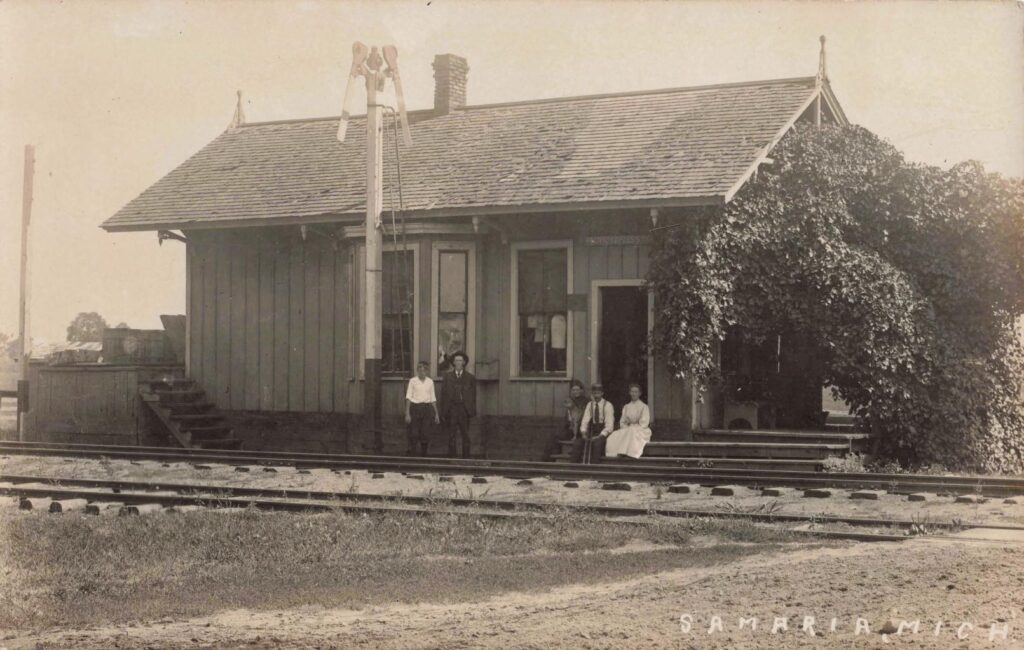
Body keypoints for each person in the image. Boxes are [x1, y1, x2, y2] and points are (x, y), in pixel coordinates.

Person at [438, 351, 476, 458]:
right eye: (456, 360)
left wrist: (471, 411)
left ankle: (466, 459)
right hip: (452, 409)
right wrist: (444, 411)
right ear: (453, 363)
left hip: (464, 409)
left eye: (460, 360)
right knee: (451, 435)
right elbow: (444, 395)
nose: (458, 362)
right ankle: (452, 460)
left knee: (465, 435)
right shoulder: (448, 377)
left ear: (464, 363)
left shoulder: (470, 378)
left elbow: (473, 396)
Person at [605, 383, 652, 459]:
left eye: (636, 392)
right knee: (614, 435)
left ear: (639, 393)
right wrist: (626, 427)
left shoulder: (644, 406)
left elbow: (644, 423)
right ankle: (616, 453)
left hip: (641, 430)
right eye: (632, 392)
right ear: (629, 393)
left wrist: (634, 427)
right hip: (629, 428)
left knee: (632, 431)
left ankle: (628, 453)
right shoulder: (626, 406)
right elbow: (622, 421)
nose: (634, 394)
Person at [571, 383, 615, 463]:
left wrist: (600, 436)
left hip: (604, 433)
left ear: (602, 393)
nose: (596, 395)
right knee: (577, 443)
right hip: (592, 431)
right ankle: (574, 468)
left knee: (596, 445)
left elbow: (609, 426)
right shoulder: (590, 405)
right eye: (594, 393)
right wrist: (583, 432)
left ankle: (594, 469)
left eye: (598, 393)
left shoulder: (608, 405)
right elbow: (585, 420)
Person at [545, 379, 588, 461]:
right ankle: (550, 459)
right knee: (554, 436)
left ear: (582, 390)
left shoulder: (586, 402)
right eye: (573, 390)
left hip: (581, 430)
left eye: (577, 389)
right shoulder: (570, 401)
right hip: (571, 429)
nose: (575, 392)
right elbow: (567, 419)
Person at [405, 361, 440, 457]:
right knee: (414, 433)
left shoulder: (430, 382)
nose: (422, 372)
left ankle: (423, 455)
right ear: (417, 371)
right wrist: (407, 413)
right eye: (420, 370)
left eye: (424, 370)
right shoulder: (412, 381)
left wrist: (436, 414)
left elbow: (433, 398)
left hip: (427, 409)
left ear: (427, 371)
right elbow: (408, 397)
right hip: (415, 408)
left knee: (425, 432)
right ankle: (413, 454)